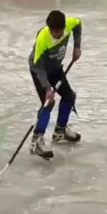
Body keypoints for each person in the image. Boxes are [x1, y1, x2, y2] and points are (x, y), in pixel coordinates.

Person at [28, 10, 82, 159]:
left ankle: (60, 131)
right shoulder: (43, 39)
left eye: (57, 32)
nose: (54, 35)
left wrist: (77, 46)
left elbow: (78, 24)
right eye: (52, 31)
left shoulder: (69, 24)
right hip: (40, 70)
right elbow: (38, 67)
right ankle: (36, 140)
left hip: (56, 68)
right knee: (48, 102)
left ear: (63, 28)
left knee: (69, 96)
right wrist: (47, 88)